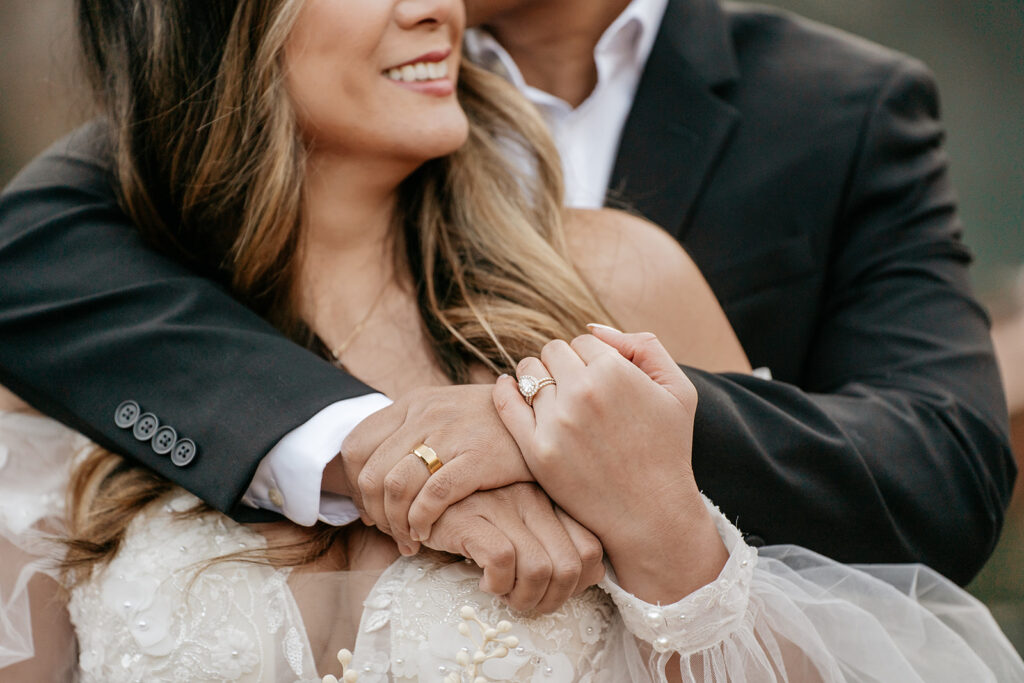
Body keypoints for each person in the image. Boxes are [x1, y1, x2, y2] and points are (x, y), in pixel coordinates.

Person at [3, 0, 1024, 681]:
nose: (434, 6)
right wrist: (359, 437)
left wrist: (619, 455)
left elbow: (937, 465)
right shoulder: (106, 316)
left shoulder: (636, 265)